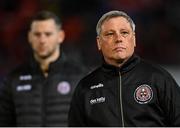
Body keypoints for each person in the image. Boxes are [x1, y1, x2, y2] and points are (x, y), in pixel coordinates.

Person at [68, 10, 180, 127]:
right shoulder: (86, 88)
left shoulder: (158, 78)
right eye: (110, 34)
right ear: (99, 42)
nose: (118, 39)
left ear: (134, 39)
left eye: (124, 32)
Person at [0, 10, 86, 126]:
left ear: (60, 36)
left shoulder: (80, 77)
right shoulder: (13, 80)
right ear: (29, 37)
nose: (42, 40)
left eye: (48, 34)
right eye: (37, 34)